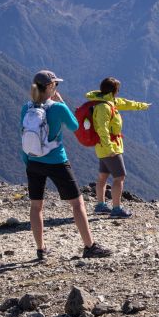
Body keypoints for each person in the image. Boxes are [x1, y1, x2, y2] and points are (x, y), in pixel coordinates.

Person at [22, 70, 112, 261]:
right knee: (77, 203)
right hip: (56, 161)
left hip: (33, 161)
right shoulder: (57, 108)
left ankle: (41, 250)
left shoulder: (26, 107)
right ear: (50, 87)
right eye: (56, 84)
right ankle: (89, 246)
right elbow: (74, 126)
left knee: (36, 206)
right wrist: (61, 102)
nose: (57, 87)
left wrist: (27, 160)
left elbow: (24, 134)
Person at [86, 76, 150, 218]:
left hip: (103, 147)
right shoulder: (104, 107)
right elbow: (102, 128)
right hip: (110, 148)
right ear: (114, 91)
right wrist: (110, 148)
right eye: (118, 90)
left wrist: (142, 105)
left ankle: (101, 205)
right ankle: (116, 209)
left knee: (103, 176)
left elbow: (125, 103)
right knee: (119, 177)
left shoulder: (107, 102)